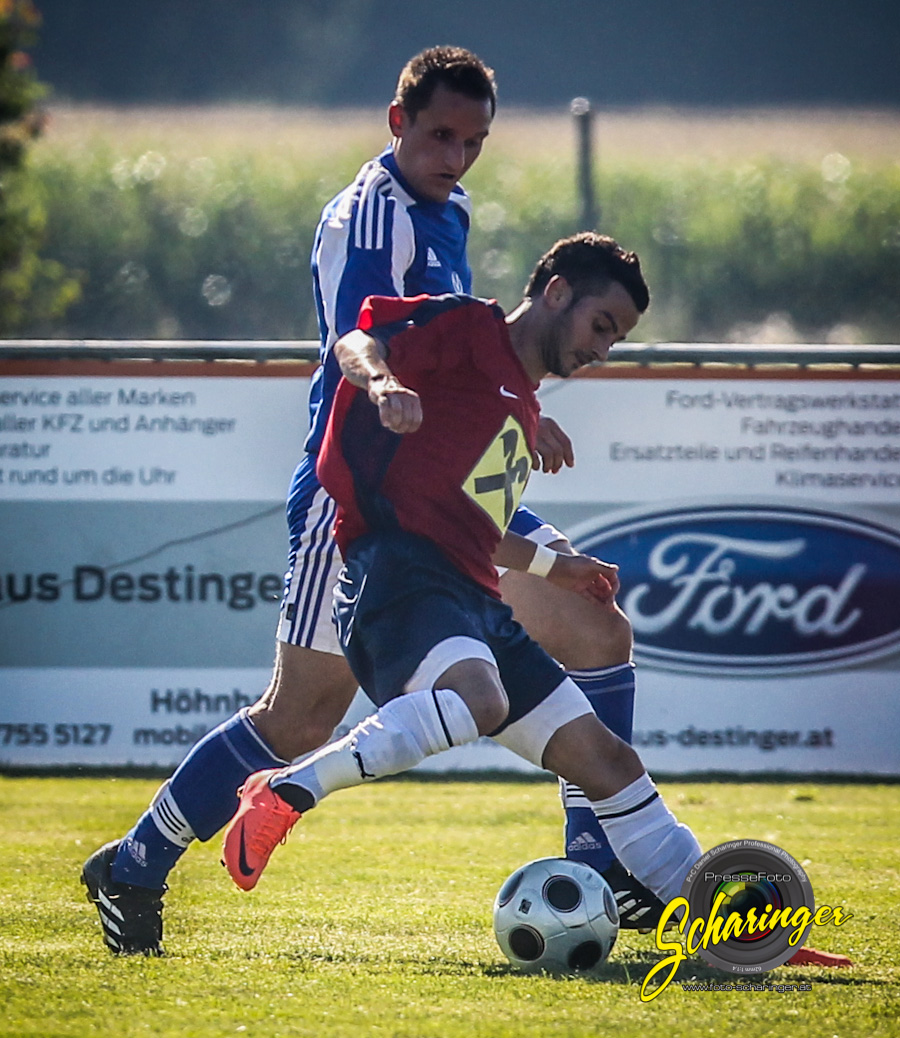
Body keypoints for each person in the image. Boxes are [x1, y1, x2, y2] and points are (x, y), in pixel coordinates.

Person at [81, 45, 653, 957]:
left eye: (474, 141)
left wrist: (520, 411)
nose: (456, 157)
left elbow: (462, 353)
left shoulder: (449, 207)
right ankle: (136, 861)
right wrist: (387, 387)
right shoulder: (370, 215)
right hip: (360, 500)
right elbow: (361, 336)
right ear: (398, 124)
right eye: (439, 135)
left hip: (455, 489)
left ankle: (603, 871)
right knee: (299, 719)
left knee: (595, 625)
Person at [221, 234, 706, 918]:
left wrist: (554, 567)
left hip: (473, 596)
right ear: (558, 291)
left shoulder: (523, 406)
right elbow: (355, 344)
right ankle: (287, 788)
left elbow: (478, 521)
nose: (603, 349)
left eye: (617, 339)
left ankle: (731, 926)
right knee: (479, 699)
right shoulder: (465, 324)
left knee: (609, 762)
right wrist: (384, 382)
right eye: (602, 327)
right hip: (397, 576)